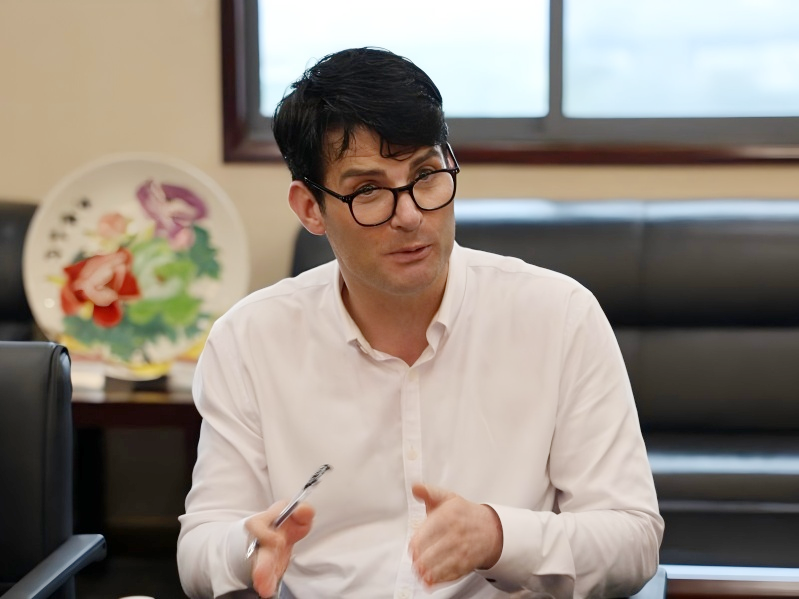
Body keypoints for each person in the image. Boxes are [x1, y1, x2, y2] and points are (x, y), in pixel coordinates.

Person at [177, 47, 663, 599]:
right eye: (368, 191)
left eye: (426, 175)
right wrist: (245, 547)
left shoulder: (559, 315)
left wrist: (500, 536)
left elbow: (633, 540)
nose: (409, 215)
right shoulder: (249, 339)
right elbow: (199, 547)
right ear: (310, 208)